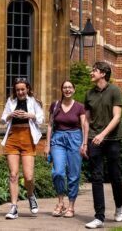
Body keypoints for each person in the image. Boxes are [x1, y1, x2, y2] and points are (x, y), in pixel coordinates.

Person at [83, 61, 122, 229]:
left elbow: (117, 117)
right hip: (94, 138)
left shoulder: (115, 91)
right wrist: (85, 142)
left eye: (95, 70)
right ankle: (99, 217)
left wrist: (102, 135)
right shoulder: (89, 94)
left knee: (115, 175)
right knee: (97, 177)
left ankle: (119, 206)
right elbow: (86, 120)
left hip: (112, 139)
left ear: (103, 74)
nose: (91, 73)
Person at [0, 78, 46, 219]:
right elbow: (3, 118)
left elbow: (41, 118)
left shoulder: (33, 101)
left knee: (28, 176)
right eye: (17, 89)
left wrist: (30, 115)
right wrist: (10, 115)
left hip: (28, 138)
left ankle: (31, 195)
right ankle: (14, 207)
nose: (20, 92)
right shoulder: (11, 101)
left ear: (27, 89)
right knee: (13, 174)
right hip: (13, 137)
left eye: (22, 89)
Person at [45, 79, 88, 218]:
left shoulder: (79, 107)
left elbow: (84, 125)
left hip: (75, 139)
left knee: (73, 174)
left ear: (74, 90)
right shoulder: (55, 105)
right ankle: (60, 202)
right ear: (62, 90)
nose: (68, 89)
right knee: (57, 172)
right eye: (65, 87)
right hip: (58, 139)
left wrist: (84, 143)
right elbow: (50, 125)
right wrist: (47, 144)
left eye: (70, 87)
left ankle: (71, 206)